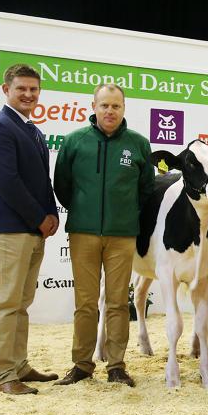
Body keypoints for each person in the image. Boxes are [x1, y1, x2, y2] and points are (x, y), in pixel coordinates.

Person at [53, 83, 154, 388]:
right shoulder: (74, 141)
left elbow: (146, 189)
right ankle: (82, 365)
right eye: (105, 105)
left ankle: (117, 366)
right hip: (82, 233)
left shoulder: (138, 144)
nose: (110, 111)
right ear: (94, 107)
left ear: (124, 109)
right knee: (85, 302)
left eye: (116, 106)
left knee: (118, 302)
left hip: (122, 236)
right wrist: (83, 211)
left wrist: (124, 215)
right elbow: (62, 186)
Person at [0, 64, 60, 395]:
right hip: (6, 230)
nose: (28, 94)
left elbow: (41, 180)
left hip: (29, 230)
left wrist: (51, 213)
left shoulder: (32, 130)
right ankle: (1, 376)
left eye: (33, 89)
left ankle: (19, 365)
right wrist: (39, 218)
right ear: (6, 90)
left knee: (20, 303)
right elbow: (6, 181)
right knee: (5, 304)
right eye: (21, 88)